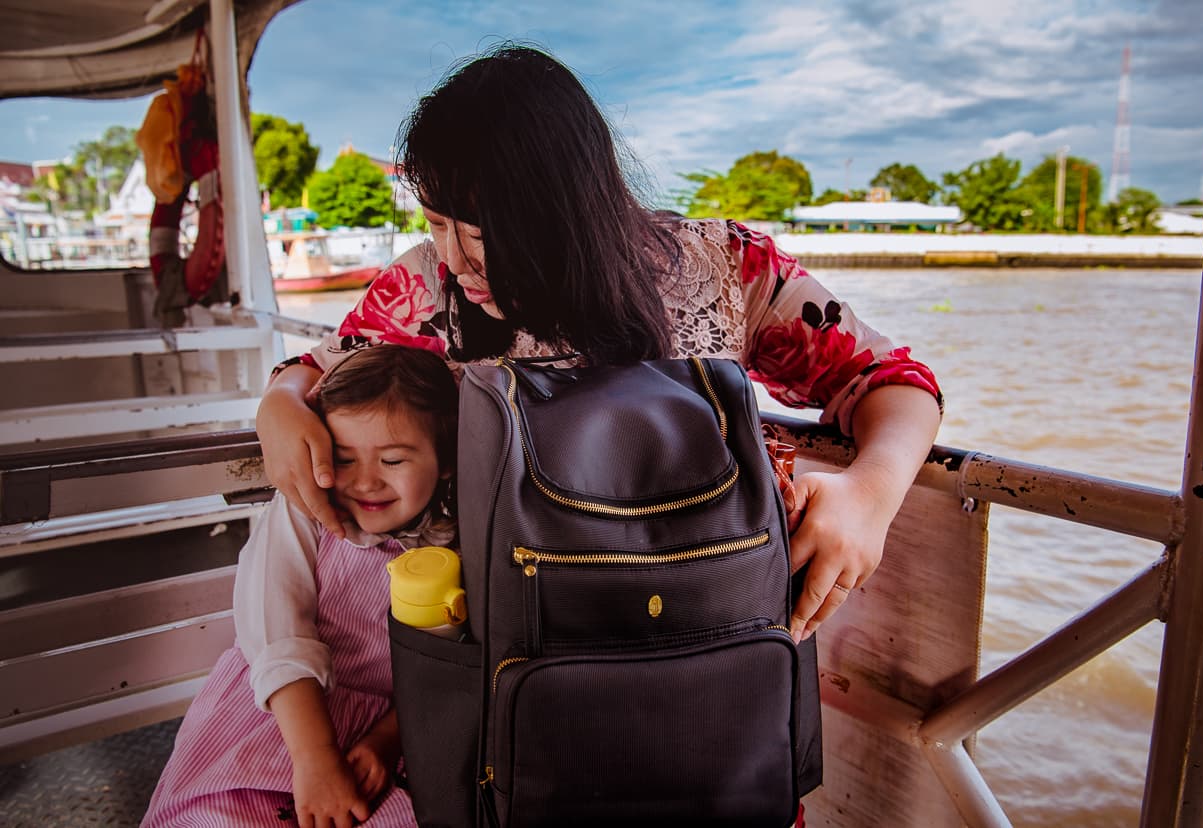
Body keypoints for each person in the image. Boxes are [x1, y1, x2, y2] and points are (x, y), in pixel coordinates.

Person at [257, 44, 943, 648]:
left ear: (567, 204)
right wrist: (280, 402)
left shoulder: (729, 266)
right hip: (518, 662)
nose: (455, 260)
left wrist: (868, 495)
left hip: (713, 640)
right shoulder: (423, 285)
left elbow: (889, 379)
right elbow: (322, 373)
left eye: (483, 229)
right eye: (437, 222)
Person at [144, 345, 458, 828]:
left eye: (393, 460)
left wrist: (388, 739)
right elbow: (278, 633)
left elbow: (449, 666)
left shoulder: (462, 540)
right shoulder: (302, 516)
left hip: (396, 734)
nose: (366, 483)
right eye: (344, 459)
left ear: (446, 461)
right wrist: (315, 760)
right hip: (283, 716)